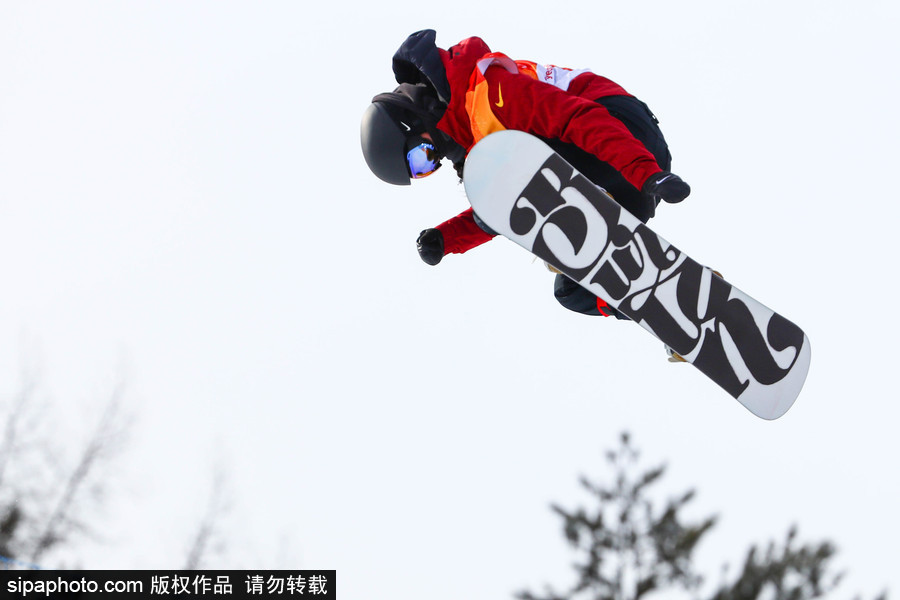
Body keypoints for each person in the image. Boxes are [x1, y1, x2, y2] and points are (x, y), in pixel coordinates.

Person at [360, 29, 690, 319]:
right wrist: (447, 239)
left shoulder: (490, 95)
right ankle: (675, 310)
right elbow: (501, 211)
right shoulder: (480, 148)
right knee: (573, 293)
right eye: (423, 170)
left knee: (508, 182)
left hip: (620, 129)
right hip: (624, 177)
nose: (433, 163)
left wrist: (646, 173)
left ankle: (583, 197)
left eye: (421, 155)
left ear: (416, 118)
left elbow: (579, 119)